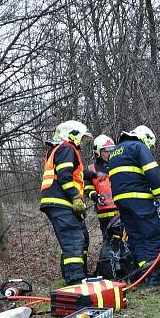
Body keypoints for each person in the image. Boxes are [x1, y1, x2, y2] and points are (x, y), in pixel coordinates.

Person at [107, 125, 160, 282]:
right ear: (145, 138)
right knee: (152, 234)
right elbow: (151, 171)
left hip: (121, 201)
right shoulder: (138, 147)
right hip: (139, 200)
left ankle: (143, 272)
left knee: (136, 237)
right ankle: (154, 278)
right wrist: (158, 194)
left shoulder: (115, 152)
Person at [39, 120, 92, 285]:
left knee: (78, 238)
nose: (82, 142)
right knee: (74, 239)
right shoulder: (67, 148)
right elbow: (64, 175)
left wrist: (94, 176)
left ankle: (74, 274)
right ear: (72, 134)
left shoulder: (58, 150)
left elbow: (74, 173)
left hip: (57, 202)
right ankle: (75, 279)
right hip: (61, 201)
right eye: (81, 138)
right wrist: (75, 196)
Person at [84, 134, 118, 236]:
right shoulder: (91, 169)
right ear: (98, 152)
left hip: (122, 211)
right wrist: (95, 196)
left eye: (111, 150)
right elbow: (88, 188)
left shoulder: (118, 166)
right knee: (108, 241)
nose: (109, 153)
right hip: (104, 214)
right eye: (106, 151)